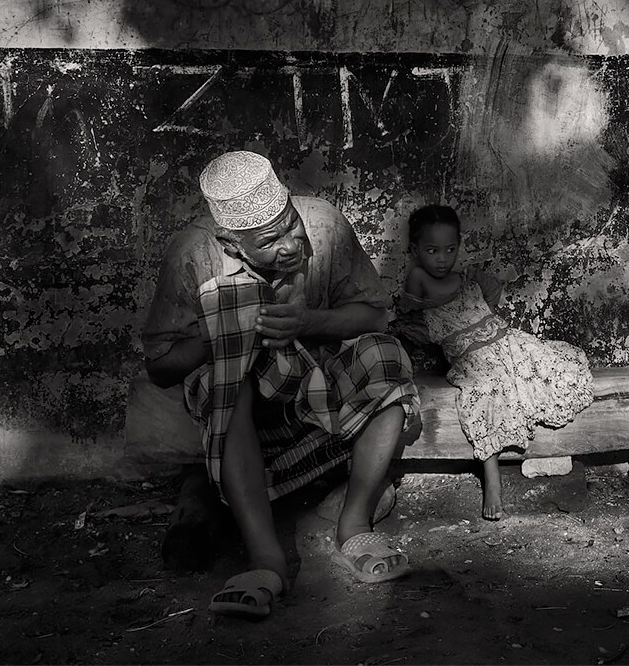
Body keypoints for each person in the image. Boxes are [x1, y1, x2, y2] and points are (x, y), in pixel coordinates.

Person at [141, 150, 419, 620]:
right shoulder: (192, 256)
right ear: (232, 243)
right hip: (242, 413)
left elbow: (375, 316)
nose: (292, 244)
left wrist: (308, 321)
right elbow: (161, 368)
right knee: (226, 382)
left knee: (386, 356)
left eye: (290, 224)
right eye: (271, 240)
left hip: (318, 389)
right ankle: (266, 560)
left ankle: (354, 525)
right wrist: (224, 335)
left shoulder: (324, 223)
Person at [397, 205, 595, 521]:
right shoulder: (418, 277)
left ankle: (539, 450)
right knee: (482, 394)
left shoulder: (466, 279)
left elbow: (491, 294)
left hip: (505, 342)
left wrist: (474, 296)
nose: (442, 258)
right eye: (432, 250)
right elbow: (415, 315)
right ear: (414, 251)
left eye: (450, 249)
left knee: (548, 365)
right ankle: (492, 477)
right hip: (473, 359)